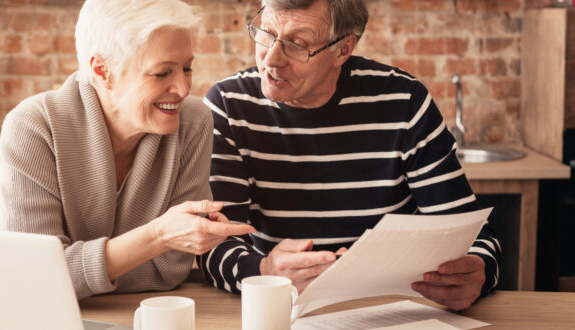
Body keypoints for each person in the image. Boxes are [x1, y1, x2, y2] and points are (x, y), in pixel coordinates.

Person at [0, 0, 255, 299]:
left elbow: (168, 270)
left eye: (187, 68)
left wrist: (69, 268)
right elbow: (32, 280)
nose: (183, 88)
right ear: (102, 71)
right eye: (162, 73)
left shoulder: (193, 122)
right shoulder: (32, 126)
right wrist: (156, 237)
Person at [198, 0, 501, 311]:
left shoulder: (404, 102)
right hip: (286, 309)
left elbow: (471, 233)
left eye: (297, 45)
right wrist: (263, 272)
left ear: (342, 50)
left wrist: (478, 269)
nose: (271, 59)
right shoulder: (228, 106)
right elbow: (211, 244)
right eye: (266, 34)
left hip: (394, 310)